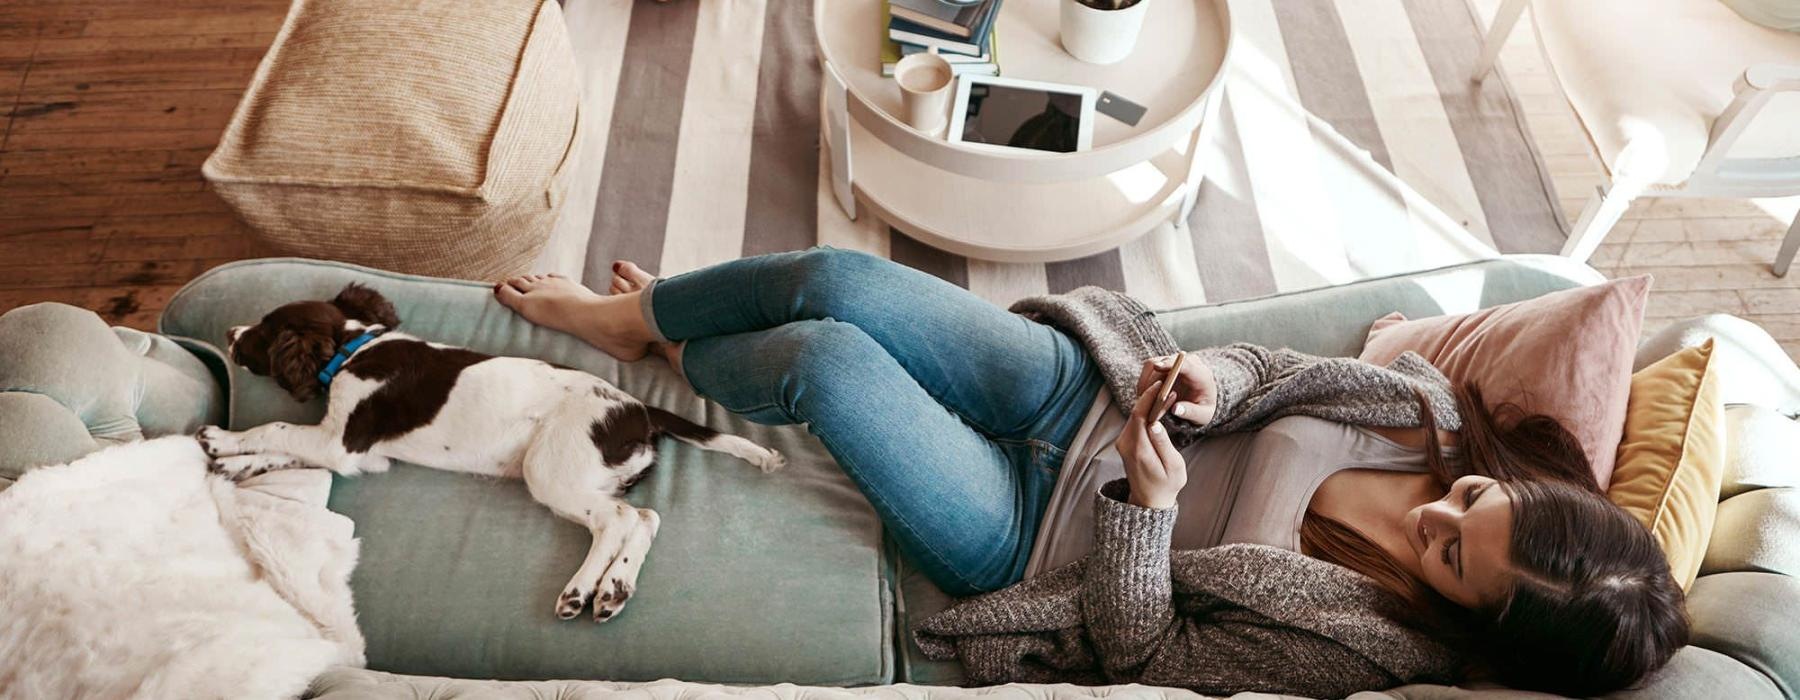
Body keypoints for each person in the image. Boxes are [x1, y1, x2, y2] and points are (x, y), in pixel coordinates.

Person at [493, 247, 1686, 697]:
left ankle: (685, 347)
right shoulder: (1429, 412)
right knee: (838, 281)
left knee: (823, 360)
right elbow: (1274, 371)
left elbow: (1149, 653)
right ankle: (638, 320)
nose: (1438, 511)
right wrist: (1216, 379)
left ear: (1469, 622)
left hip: (1030, 533)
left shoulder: (1365, 645)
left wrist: (1150, 511)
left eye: (1448, 555)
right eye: (1476, 502)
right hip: (1080, 393)